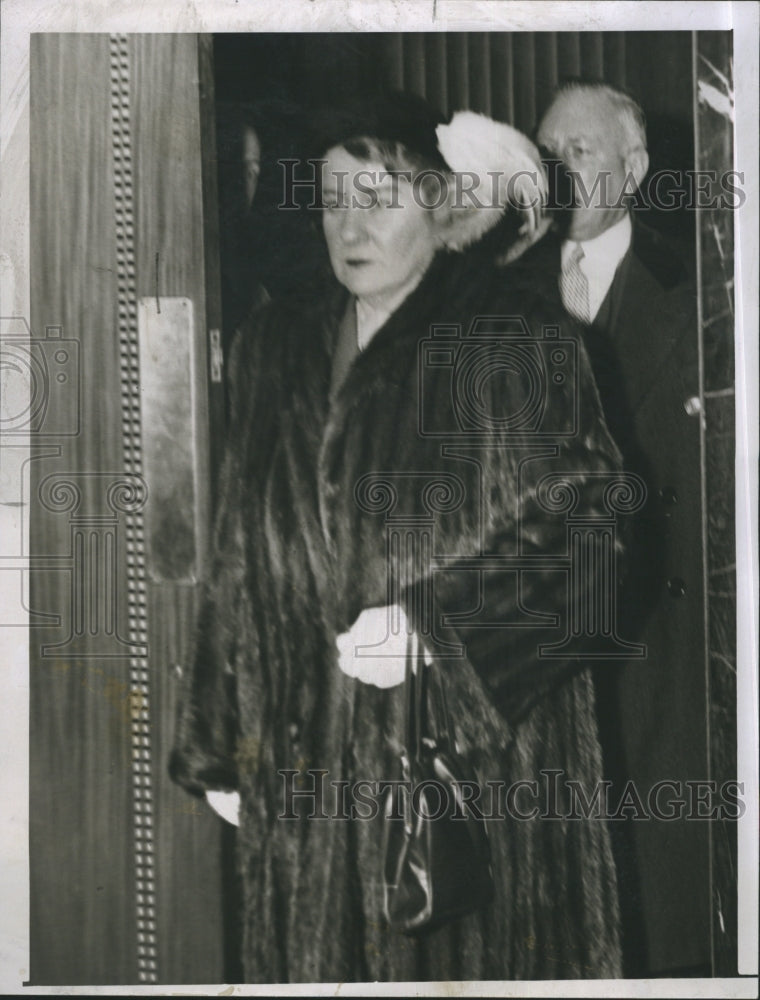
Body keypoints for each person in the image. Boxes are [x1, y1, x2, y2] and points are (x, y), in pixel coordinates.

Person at [170, 91, 625, 983]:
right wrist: (220, 743)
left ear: (442, 206)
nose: (349, 225)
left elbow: (595, 544)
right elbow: (239, 552)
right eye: (333, 200)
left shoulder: (513, 338)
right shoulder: (276, 344)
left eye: (378, 198)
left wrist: (435, 625)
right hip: (303, 784)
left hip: (466, 796)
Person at [520, 81, 708, 977]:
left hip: (662, 647)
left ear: (633, 169)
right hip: (534, 646)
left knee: (657, 904)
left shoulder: (703, 294)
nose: (558, 172)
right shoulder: (496, 295)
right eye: (545, 155)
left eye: (580, 153)